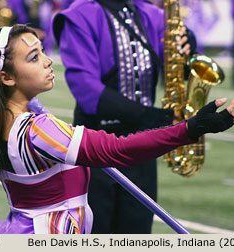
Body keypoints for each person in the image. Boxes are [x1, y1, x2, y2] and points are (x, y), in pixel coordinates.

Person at [0, 23, 234, 234]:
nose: (47, 62)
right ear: (6, 77)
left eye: (43, 51)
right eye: (33, 58)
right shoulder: (39, 130)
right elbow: (120, 151)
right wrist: (190, 128)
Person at [52, 0, 197, 233]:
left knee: (137, 231)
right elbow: (86, 89)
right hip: (94, 148)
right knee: (96, 230)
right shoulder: (79, 16)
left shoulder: (153, 15)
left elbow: (178, 71)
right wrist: (146, 116)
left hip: (142, 147)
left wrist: (188, 51)